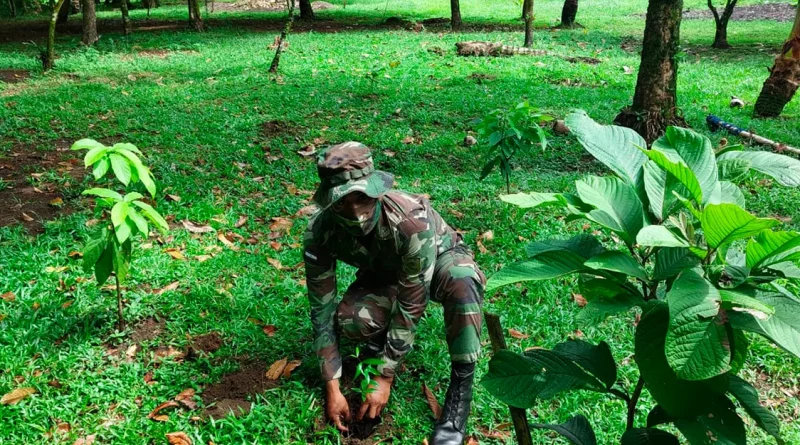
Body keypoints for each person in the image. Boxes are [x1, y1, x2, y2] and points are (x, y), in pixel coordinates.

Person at [303, 142, 486, 444]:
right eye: (342, 202)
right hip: (385, 274)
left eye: (362, 198)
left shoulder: (411, 221)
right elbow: (321, 310)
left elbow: (413, 300)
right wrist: (331, 386)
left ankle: (460, 393)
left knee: (461, 280)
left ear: (376, 190)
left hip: (440, 259)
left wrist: (385, 374)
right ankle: (378, 348)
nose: (355, 211)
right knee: (352, 320)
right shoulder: (319, 232)